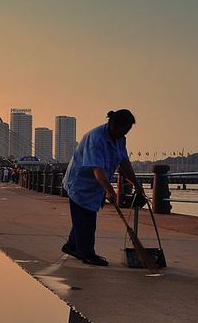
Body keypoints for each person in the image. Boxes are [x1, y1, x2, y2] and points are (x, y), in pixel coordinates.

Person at [61, 109, 145, 266]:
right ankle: (87, 254)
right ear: (114, 125)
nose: (126, 133)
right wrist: (109, 190)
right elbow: (97, 169)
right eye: (125, 129)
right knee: (87, 221)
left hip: (95, 185)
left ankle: (72, 245)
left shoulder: (120, 139)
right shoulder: (96, 138)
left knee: (84, 219)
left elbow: (124, 163)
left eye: (128, 130)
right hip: (80, 183)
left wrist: (136, 184)